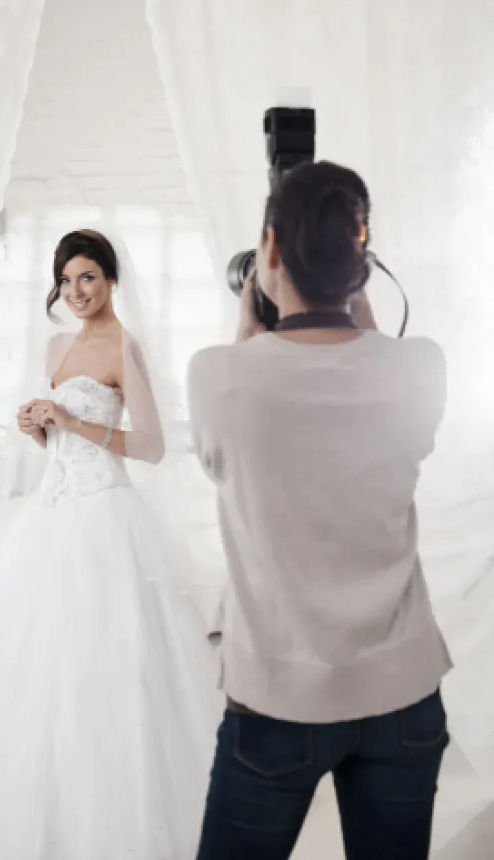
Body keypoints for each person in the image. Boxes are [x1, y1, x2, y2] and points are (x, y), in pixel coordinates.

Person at [0, 229, 219, 860]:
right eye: (66, 280)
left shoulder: (126, 347)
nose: (75, 292)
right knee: (34, 661)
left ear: (112, 279)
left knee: (111, 662)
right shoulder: (54, 347)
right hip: (52, 514)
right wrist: (41, 430)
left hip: (106, 517)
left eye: (87, 278)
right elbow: (63, 449)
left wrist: (70, 420)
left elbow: (150, 447)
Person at [187, 161, 451, 860]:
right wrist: (354, 311)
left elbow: (223, 445)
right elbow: (376, 365)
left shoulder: (218, 376)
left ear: (269, 252)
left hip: (277, 698)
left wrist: (249, 320)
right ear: (363, 262)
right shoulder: (420, 366)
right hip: (403, 692)